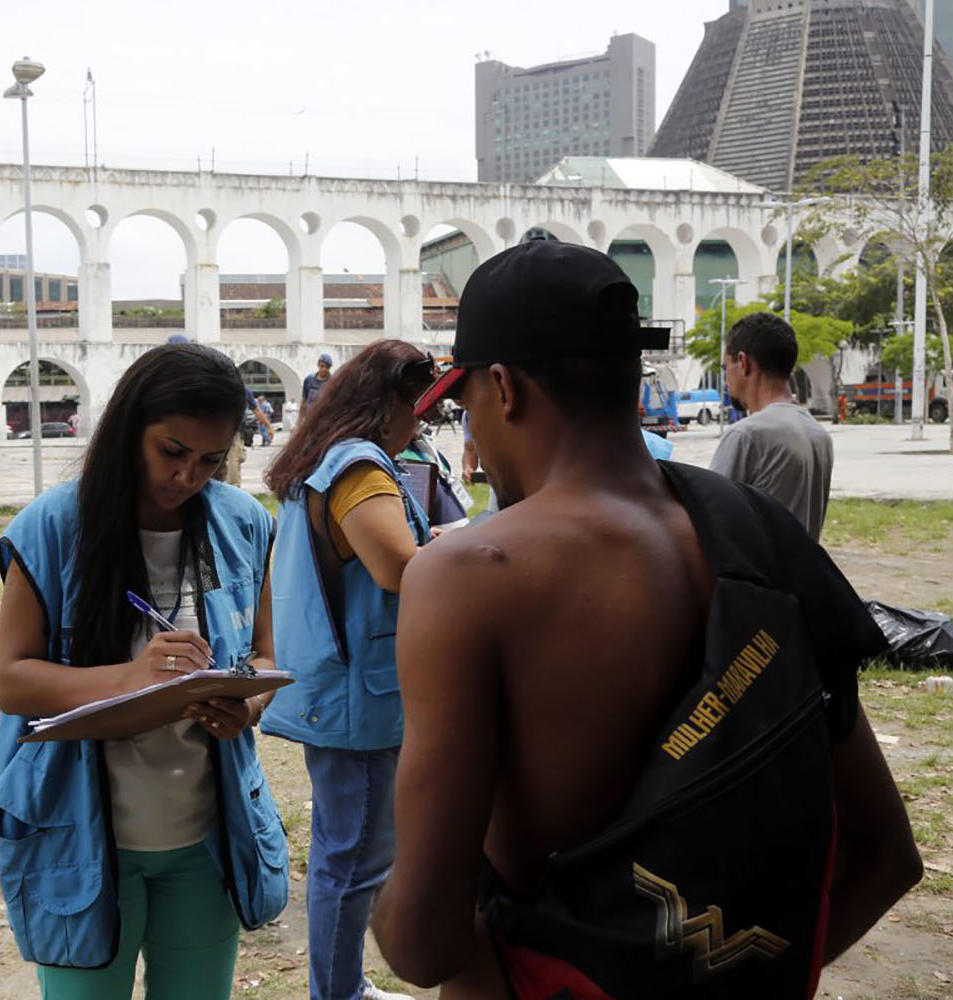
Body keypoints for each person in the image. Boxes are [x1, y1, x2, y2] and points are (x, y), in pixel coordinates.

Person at [371, 241, 921, 998]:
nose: (469, 437)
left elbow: (423, 947)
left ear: (504, 388)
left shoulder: (469, 577)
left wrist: (377, 908)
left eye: (464, 409)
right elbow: (890, 858)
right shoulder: (761, 535)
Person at [0, 343, 289, 999]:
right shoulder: (51, 528)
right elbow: (12, 680)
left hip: (207, 838)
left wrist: (247, 707)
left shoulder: (243, 525)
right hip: (82, 841)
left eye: (211, 460)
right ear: (130, 430)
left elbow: (265, 657)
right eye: (172, 451)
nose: (188, 477)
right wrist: (132, 678)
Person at [261, 339, 435, 1000]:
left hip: (339, 691)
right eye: (413, 406)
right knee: (353, 861)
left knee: (346, 853)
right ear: (387, 402)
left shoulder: (323, 460)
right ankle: (337, 994)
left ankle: (342, 987)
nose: (418, 420)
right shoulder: (359, 465)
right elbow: (398, 566)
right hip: (361, 698)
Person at [712, 311, 834, 540]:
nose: (726, 381)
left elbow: (709, 524)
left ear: (743, 362)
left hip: (757, 576)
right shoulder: (819, 435)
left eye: (724, 368)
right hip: (801, 576)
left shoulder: (747, 435)